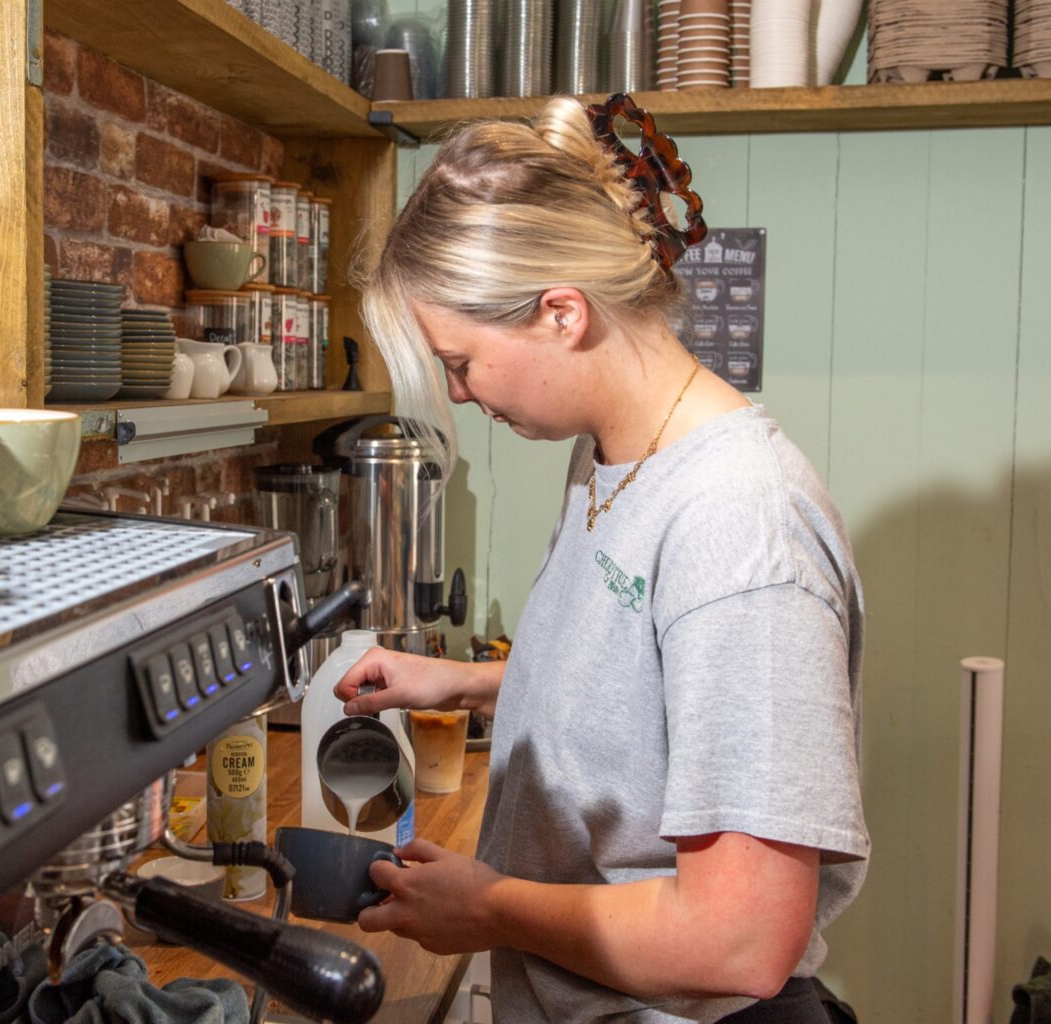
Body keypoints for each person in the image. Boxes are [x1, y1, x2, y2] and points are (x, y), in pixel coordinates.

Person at [336, 94, 868, 1023]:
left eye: (460, 362)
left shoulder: (741, 524)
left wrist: (489, 906)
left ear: (561, 314)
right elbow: (648, 684)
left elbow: (740, 940)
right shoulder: (612, 456)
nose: (459, 397)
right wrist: (458, 683)